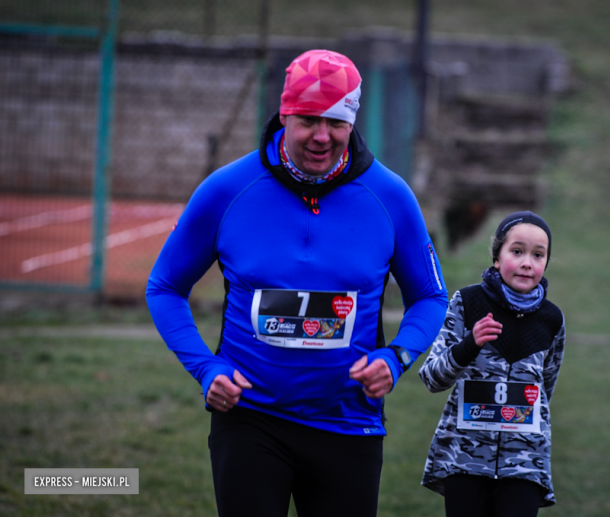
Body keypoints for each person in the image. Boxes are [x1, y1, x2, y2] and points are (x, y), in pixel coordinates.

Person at [146, 49, 448, 517]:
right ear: (285, 113)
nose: (322, 136)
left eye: (336, 122)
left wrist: (398, 355)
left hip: (348, 426)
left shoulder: (390, 197)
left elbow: (430, 297)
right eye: (308, 120)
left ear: (352, 122)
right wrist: (206, 369)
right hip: (250, 421)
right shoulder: (228, 189)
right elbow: (165, 286)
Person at [419, 211, 566, 517]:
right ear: (497, 257)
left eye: (538, 255)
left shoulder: (553, 320)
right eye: (517, 251)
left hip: (525, 464)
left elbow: (544, 393)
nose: (527, 262)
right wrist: (469, 345)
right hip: (464, 460)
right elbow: (432, 378)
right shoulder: (467, 303)